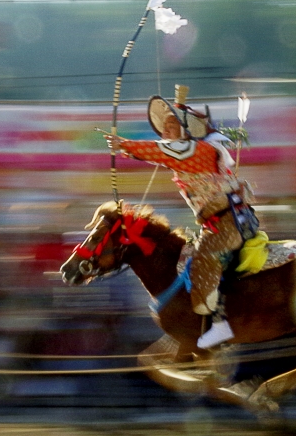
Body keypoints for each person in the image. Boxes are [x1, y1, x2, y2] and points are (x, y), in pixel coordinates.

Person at [105, 85, 258, 349]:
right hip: (219, 222)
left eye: (173, 125)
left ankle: (220, 325)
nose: (165, 129)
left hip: (229, 221)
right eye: (165, 124)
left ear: (187, 132)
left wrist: (125, 145)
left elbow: (164, 152)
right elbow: (165, 153)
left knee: (204, 259)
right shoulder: (190, 154)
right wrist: (126, 148)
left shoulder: (198, 152)